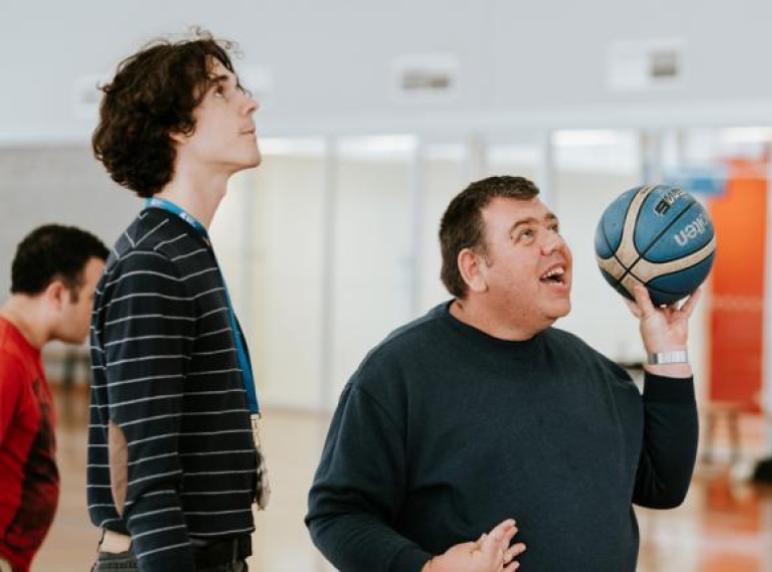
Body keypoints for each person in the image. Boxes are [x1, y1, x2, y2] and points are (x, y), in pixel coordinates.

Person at [307, 175, 700, 571]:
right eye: (525, 235)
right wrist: (428, 569)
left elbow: (661, 487)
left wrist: (667, 352)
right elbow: (337, 515)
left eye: (553, 228)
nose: (555, 245)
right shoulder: (397, 374)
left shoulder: (596, 373)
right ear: (473, 268)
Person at [87, 30, 265, 572]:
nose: (249, 102)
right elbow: (144, 471)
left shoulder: (181, 247)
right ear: (174, 128)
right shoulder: (154, 264)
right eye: (220, 92)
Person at [1, 224, 108, 572]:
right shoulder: (5, 358)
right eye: (94, 298)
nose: (98, 313)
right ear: (59, 294)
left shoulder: (25, 351)